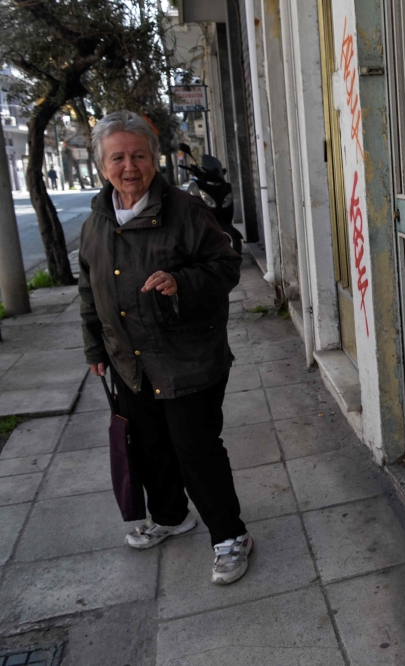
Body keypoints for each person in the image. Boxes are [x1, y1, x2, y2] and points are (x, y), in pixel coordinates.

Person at [78, 110, 252, 585]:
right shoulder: (97, 220)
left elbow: (226, 265)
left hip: (187, 360)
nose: (129, 166)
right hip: (129, 362)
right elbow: (88, 288)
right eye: (118, 157)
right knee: (150, 447)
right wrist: (95, 348)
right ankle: (173, 518)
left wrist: (182, 282)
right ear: (102, 164)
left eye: (139, 155)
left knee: (195, 450)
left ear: (154, 159)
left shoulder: (186, 210)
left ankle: (230, 536)